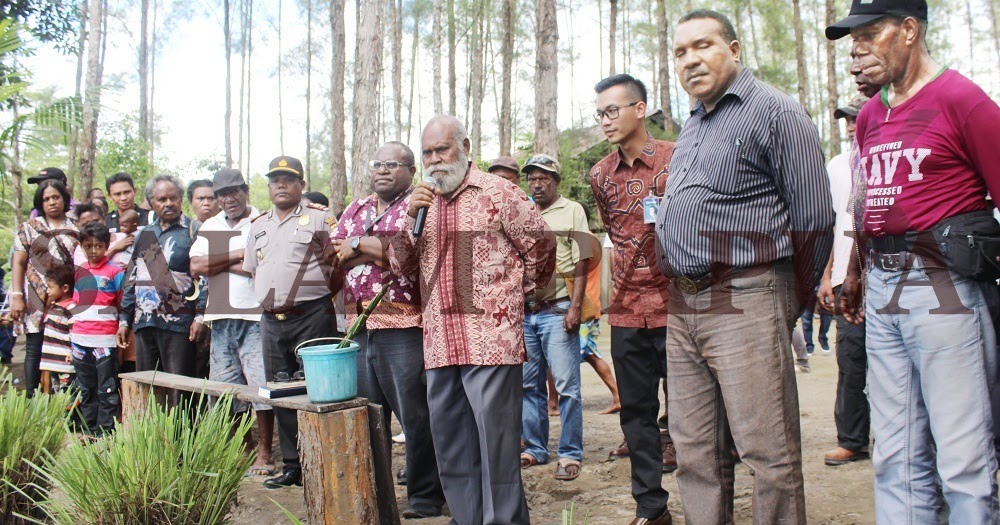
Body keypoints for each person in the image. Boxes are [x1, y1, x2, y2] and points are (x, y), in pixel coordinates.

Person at [658, 9, 834, 524]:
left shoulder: (776, 112)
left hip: (748, 294)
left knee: (767, 454)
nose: (691, 60)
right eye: (681, 52)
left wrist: (787, 298)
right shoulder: (693, 124)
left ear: (734, 50)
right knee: (695, 454)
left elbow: (814, 220)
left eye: (704, 46)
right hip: (685, 301)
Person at [829, 0, 1000, 521]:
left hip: (944, 282)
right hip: (883, 287)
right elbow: (866, 197)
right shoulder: (872, 115)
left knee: (962, 456)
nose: (857, 49)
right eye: (851, 39)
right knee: (896, 452)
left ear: (908, 30)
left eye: (870, 33)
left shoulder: (962, 99)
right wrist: (853, 268)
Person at [388, 116, 555, 525]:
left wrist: (514, 295)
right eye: (427, 153)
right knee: (452, 449)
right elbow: (399, 266)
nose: (433, 160)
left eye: (441, 150)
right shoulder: (419, 203)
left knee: (497, 450)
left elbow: (542, 246)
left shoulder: (500, 193)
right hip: (441, 344)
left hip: (491, 342)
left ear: (464, 146)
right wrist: (410, 220)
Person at [330, 142, 446, 518]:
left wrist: (358, 245)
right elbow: (333, 252)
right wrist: (372, 247)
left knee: (415, 416)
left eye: (392, 164)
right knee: (369, 417)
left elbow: (407, 255)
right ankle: (377, 495)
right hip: (359, 326)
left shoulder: (421, 202)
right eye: (377, 163)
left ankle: (425, 496)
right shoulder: (356, 208)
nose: (382, 170)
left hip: (404, 324)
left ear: (411, 171)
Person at [588, 72, 675, 524]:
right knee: (637, 413)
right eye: (600, 113)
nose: (605, 120)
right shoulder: (600, 173)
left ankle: (707, 502)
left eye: (613, 110)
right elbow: (616, 234)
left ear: (639, 109)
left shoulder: (676, 159)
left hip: (676, 309)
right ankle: (651, 508)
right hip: (624, 310)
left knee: (691, 415)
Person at [244, 155, 341, 489]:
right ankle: (292, 465)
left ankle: (326, 463)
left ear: (301, 184)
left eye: (288, 179)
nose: (280, 185)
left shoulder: (319, 219)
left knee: (320, 393)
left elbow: (337, 267)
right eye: (274, 180)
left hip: (312, 316)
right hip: (272, 321)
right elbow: (254, 270)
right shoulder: (257, 226)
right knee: (280, 393)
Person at [189, 168, 276, 478]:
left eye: (234, 191)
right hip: (221, 317)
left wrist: (221, 263)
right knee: (227, 388)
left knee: (261, 386)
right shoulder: (209, 225)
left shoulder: (263, 220)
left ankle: (265, 454)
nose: (229, 199)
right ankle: (244, 450)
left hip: (255, 316)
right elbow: (197, 265)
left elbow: (263, 266)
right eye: (222, 194)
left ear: (245, 190)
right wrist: (240, 253)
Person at [518, 154, 589, 482]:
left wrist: (575, 307)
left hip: (558, 310)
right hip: (525, 314)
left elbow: (582, 261)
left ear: (556, 181)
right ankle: (535, 447)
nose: (537, 183)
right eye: (532, 178)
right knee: (528, 385)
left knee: (567, 387)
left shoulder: (572, 209)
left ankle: (570, 452)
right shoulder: (521, 209)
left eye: (544, 177)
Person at [817, 93, 872, 467]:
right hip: (842, 280)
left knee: (892, 364)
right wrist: (826, 276)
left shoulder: (887, 158)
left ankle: (895, 437)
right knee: (850, 360)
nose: (851, 125)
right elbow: (836, 225)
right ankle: (852, 439)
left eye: (857, 117)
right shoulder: (837, 165)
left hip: (887, 276)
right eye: (846, 119)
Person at [117, 175, 206, 407]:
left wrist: (200, 316)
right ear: (151, 203)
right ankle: (151, 440)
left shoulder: (194, 230)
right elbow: (132, 276)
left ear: (180, 199)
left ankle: (183, 440)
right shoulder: (145, 234)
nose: (168, 203)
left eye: (173, 198)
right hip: (145, 322)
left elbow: (205, 277)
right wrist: (124, 320)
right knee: (147, 388)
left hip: (179, 324)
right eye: (161, 199)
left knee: (181, 390)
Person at [10, 179, 79, 396]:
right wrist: (17, 295)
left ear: (64, 199)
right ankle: (31, 399)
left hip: (65, 297)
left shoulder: (75, 228)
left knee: (63, 346)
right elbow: (19, 263)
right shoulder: (29, 228)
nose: (51, 202)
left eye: (56, 197)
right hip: (35, 296)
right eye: (46, 198)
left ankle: (63, 399)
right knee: (34, 347)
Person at [72, 222, 125, 436]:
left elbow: (122, 303)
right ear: (82, 247)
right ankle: (88, 430)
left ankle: (105, 434)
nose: (93, 251)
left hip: (104, 340)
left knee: (107, 388)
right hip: (79, 339)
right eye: (88, 246)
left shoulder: (115, 272)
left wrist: (122, 327)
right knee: (86, 388)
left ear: (106, 245)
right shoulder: (79, 272)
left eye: (98, 246)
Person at [38, 264, 76, 394]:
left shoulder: (71, 309)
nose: (47, 291)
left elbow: (75, 333)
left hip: (65, 365)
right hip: (53, 364)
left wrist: (74, 352)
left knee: (68, 399)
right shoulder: (54, 308)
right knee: (57, 399)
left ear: (65, 288)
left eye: (50, 287)